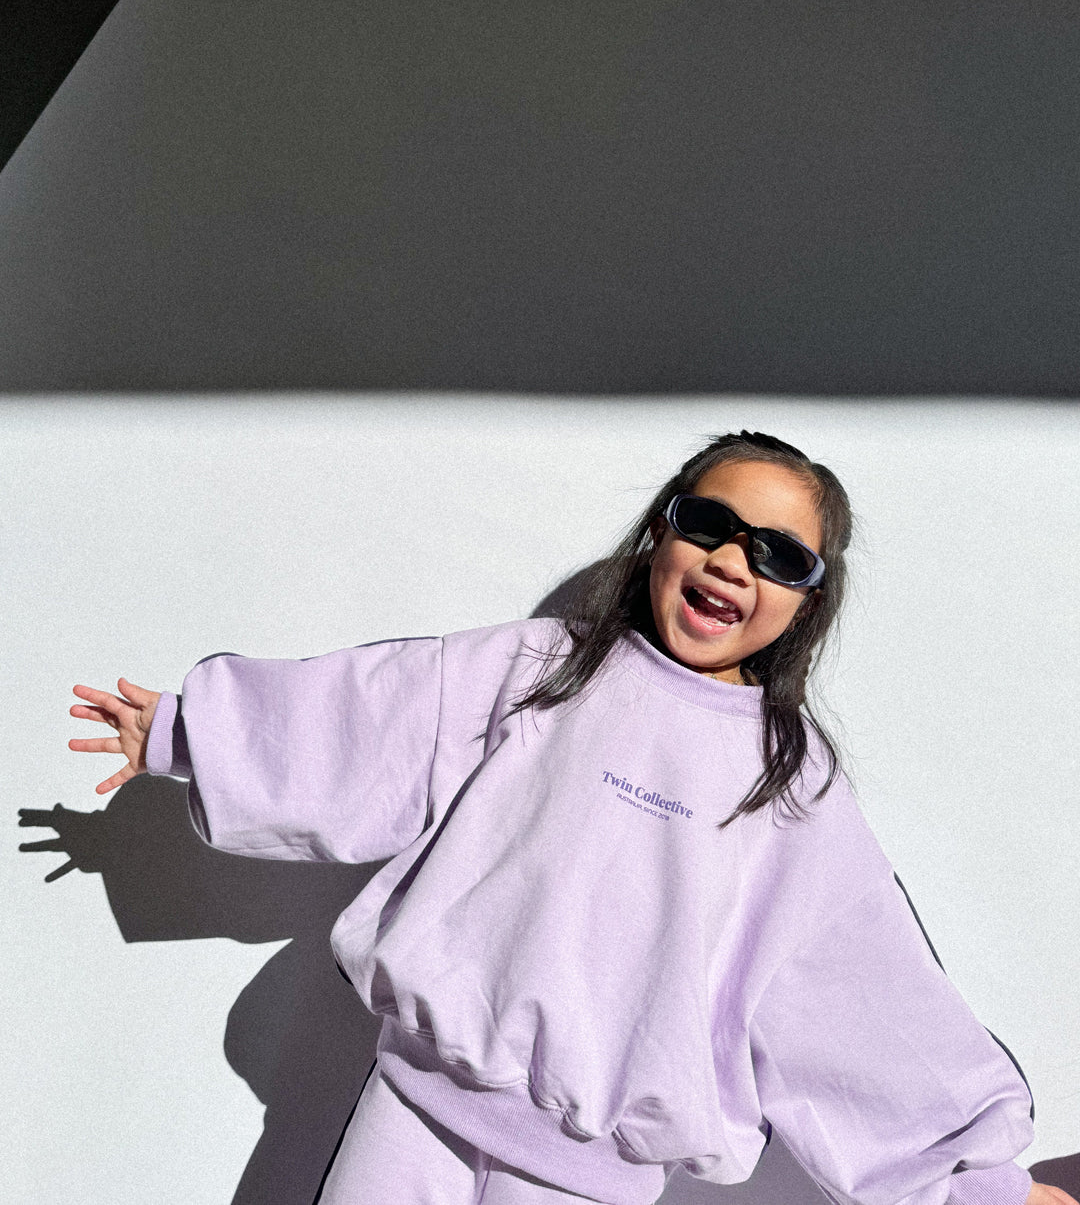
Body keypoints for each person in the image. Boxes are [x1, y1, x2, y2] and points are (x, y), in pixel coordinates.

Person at [68, 430, 1074, 1205]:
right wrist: (190, 732)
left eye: (778, 555)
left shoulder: (788, 784)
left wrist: (978, 1183)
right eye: (710, 523)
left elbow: (852, 984)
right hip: (414, 1109)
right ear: (661, 534)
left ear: (807, 602)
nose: (734, 561)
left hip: (586, 1179)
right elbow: (375, 719)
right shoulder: (541, 672)